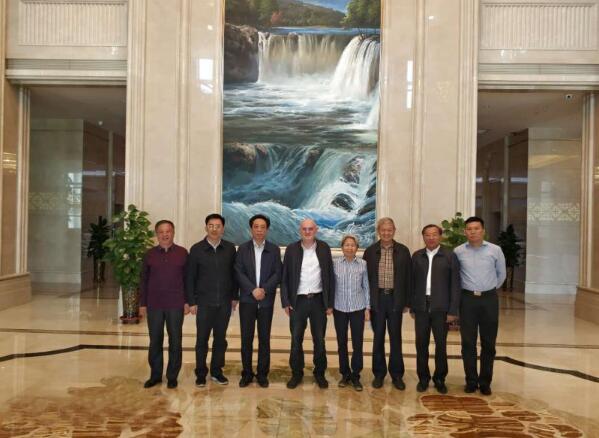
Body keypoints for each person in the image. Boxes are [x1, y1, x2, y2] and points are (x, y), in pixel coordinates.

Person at [454, 216, 506, 396]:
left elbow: (501, 274)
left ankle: (485, 382)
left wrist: (489, 289)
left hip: (489, 300)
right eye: (469, 229)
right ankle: (471, 381)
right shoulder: (458, 251)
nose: (473, 232)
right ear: (465, 232)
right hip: (467, 299)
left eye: (476, 228)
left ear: (483, 230)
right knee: (468, 342)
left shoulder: (495, 250)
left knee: (488, 343)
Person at [281, 218, 334, 389]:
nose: (307, 232)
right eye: (304, 229)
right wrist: (285, 301)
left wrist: (330, 303)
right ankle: (297, 373)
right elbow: (284, 277)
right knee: (296, 340)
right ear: (300, 230)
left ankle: (320, 373)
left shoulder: (324, 248)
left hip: (318, 301)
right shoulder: (291, 249)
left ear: (316, 230)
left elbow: (330, 276)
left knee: (319, 340)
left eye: (310, 229)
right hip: (298, 302)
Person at [185, 213, 238, 387]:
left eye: (218, 226)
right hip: (204, 303)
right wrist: (192, 301)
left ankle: (217, 371)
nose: (214, 229)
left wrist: (234, 297)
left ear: (223, 229)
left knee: (220, 340)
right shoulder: (196, 249)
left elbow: (234, 275)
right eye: (211, 226)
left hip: (224, 302)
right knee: (202, 340)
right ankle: (200, 373)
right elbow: (190, 277)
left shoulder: (230, 248)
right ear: (206, 227)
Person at [410, 224, 460, 394]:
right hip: (421, 307)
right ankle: (423, 378)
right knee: (421, 344)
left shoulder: (449, 256)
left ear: (440, 236)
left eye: (434, 235)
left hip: (441, 308)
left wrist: (453, 310)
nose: (431, 238)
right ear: (423, 237)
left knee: (441, 345)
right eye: (427, 235)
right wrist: (413, 306)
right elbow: (412, 283)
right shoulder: (417, 256)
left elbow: (455, 285)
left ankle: (440, 378)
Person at [363, 217, 412, 390]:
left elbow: (409, 278)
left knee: (395, 338)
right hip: (377, 300)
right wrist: (366, 303)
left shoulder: (403, 251)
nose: (386, 233)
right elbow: (365, 279)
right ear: (378, 231)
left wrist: (407, 302)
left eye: (389, 230)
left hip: (395, 299)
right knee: (378, 338)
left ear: (394, 230)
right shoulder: (370, 251)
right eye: (383, 230)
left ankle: (397, 375)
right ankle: (379, 374)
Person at [139, 220, 189, 389]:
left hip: (176, 304)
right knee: (155, 340)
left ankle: (172, 376)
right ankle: (155, 375)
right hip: (154, 304)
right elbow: (143, 280)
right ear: (156, 234)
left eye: (168, 231)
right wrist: (143, 304)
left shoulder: (182, 253)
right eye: (161, 232)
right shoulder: (149, 254)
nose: (165, 234)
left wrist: (187, 301)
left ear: (173, 233)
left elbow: (187, 280)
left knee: (175, 340)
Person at [234, 214, 282, 388]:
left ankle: (262, 374)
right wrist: (252, 289)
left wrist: (264, 289)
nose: (259, 230)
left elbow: (278, 273)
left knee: (264, 339)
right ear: (251, 229)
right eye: (256, 227)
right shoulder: (243, 249)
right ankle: (247, 373)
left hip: (266, 302)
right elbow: (238, 272)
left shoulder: (274, 250)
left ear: (267, 229)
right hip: (247, 300)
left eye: (263, 227)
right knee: (246, 338)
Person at [332, 235, 370, 392]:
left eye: (352, 245)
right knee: (341, 343)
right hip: (339, 308)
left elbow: (366, 286)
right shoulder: (335, 264)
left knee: (357, 343)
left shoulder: (363, 264)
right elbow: (331, 286)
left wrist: (367, 308)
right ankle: (345, 374)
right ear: (342, 247)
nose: (349, 247)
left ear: (357, 248)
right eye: (346, 245)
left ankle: (355, 375)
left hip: (357, 308)